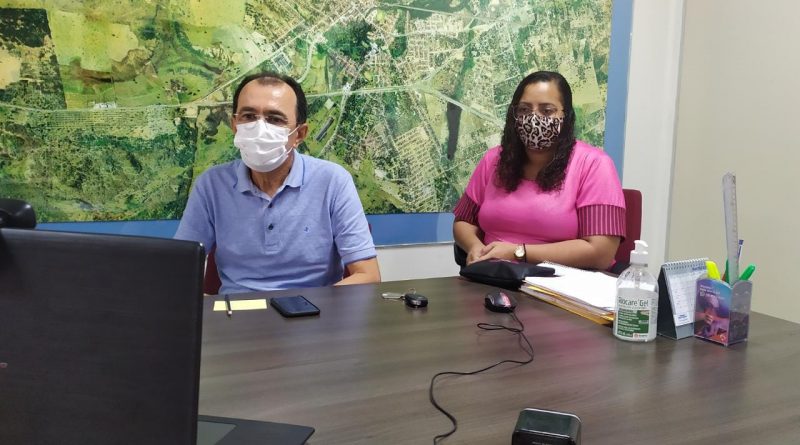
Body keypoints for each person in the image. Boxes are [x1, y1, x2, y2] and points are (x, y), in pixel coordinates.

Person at [175, 72, 380, 293]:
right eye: (248, 116)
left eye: (274, 119)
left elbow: (368, 275)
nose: (259, 128)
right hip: (237, 310)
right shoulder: (212, 185)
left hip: (314, 309)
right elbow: (178, 268)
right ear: (235, 125)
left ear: (299, 134)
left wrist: (307, 305)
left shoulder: (333, 181)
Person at [453, 71, 625, 270]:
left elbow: (601, 253)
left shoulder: (594, 164)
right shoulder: (494, 160)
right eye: (524, 109)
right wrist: (474, 246)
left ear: (566, 116)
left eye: (547, 110)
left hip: (560, 283)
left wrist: (518, 253)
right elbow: (463, 221)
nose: (533, 118)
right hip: (493, 277)